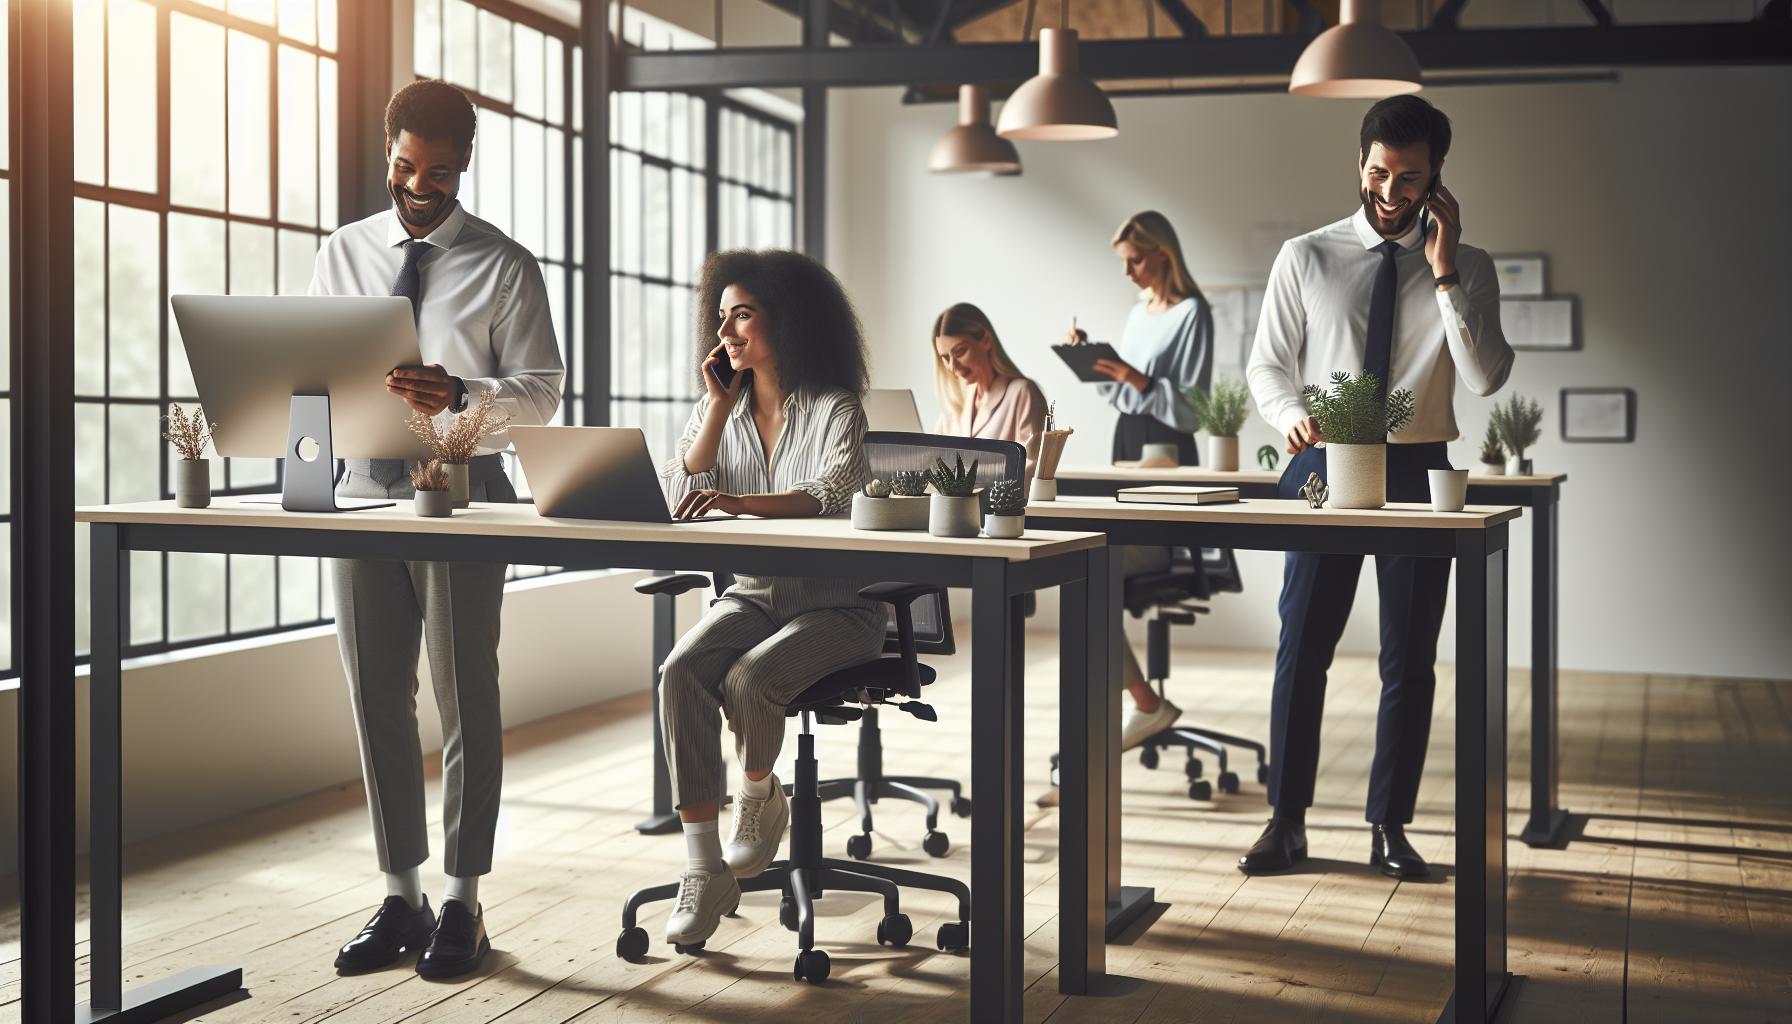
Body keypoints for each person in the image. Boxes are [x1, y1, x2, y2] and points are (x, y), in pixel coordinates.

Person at [308, 79, 564, 978]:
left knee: (464, 695)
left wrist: (460, 393)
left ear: (465, 166)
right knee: (375, 693)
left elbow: (542, 393)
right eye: (406, 167)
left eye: (441, 173)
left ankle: (462, 901)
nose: (420, 187)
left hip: (463, 488)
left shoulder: (505, 264)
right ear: (389, 153)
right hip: (360, 486)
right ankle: (400, 895)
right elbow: (312, 371)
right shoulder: (342, 253)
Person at [1243, 95, 1512, 879]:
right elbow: (1267, 363)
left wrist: (1445, 273)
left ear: (1438, 176)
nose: (1391, 192)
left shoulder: (1469, 265)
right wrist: (1289, 414)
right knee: (1302, 648)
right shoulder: (1307, 255)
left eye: (1410, 177)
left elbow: (1486, 378)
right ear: (1360, 163)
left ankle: (1389, 825)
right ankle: (1286, 822)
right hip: (1323, 461)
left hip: (1420, 469)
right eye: (1378, 173)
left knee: (1410, 658)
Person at [654, 249, 884, 951]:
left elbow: (832, 493)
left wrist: (738, 502)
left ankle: (759, 795)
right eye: (722, 317)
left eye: (743, 315)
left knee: (751, 678)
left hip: (840, 607)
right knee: (680, 672)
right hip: (754, 596)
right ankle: (704, 870)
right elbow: (677, 491)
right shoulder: (718, 408)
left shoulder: (836, 407)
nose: (726, 331)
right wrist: (718, 410)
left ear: (786, 320)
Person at [1064, 211, 1215, 754]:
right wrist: (1096, 364)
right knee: (1080, 567)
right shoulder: (1137, 313)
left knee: (1084, 569)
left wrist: (1134, 376)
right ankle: (1139, 705)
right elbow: (1127, 394)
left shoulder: (1193, 313)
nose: (1127, 273)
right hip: (1129, 439)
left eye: (1134, 261)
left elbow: (1193, 409)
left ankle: (1144, 705)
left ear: (1162, 254)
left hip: (1168, 451)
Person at [930, 302, 1048, 481]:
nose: (953, 366)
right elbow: (933, 461)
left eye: (960, 352)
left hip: (1003, 500)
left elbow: (1029, 471)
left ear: (985, 340)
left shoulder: (1023, 393)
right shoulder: (956, 404)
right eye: (946, 358)